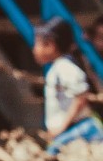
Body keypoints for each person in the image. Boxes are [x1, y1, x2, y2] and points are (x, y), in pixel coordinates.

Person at [37, 16, 100, 153]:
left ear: (51, 45)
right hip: (70, 131)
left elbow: (80, 98)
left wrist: (61, 127)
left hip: (77, 131)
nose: (34, 49)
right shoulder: (57, 69)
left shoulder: (65, 68)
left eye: (37, 43)